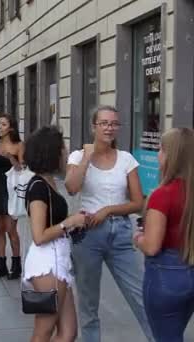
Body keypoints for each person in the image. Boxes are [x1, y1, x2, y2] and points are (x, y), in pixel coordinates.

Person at [65, 105, 152, 342]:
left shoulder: (126, 159)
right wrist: (86, 157)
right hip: (87, 236)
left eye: (114, 123)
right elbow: (72, 188)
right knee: (88, 304)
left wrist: (108, 209)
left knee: (141, 295)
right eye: (104, 123)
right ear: (93, 126)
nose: (109, 128)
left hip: (121, 233)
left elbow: (137, 203)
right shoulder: (77, 156)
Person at [23, 126, 87, 342]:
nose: (66, 152)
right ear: (52, 152)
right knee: (43, 332)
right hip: (47, 263)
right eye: (63, 148)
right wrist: (69, 222)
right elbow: (39, 235)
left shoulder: (48, 182)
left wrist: (72, 223)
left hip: (58, 260)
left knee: (68, 332)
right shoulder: (38, 187)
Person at [133, 128, 194, 341]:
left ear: (172, 156)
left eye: (161, 149)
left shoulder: (162, 195)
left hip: (166, 276)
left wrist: (138, 238)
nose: (158, 154)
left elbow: (152, 246)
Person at [0, 113, 24, 280]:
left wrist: (9, 156)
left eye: (3, 124)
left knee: (11, 230)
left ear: (11, 127)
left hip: (12, 190)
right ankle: (1, 264)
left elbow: (22, 169)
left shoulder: (18, 145)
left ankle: (16, 265)